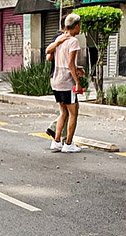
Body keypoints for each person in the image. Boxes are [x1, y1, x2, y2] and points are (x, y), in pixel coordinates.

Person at [48, 14, 83, 153]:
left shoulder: (59, 39)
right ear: (76, 26)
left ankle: (56, 141)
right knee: (73, 113)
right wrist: (77, 82)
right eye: (80, 25)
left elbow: (53, 57)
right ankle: (68, 143)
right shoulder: (73, 41)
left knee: (63, 112)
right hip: (66, 81)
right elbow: (70, 64)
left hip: (56, 80)